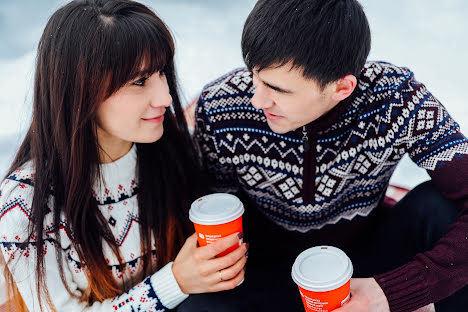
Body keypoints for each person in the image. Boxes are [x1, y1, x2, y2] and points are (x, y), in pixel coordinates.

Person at [184, 0, 468, 311]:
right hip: (260, 271)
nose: (256, 99)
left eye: (277, 89)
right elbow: (205, 204)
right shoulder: (221, 107)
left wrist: (397, 291)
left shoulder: (397, 102)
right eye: (254, 75)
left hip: (367, 262)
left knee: (438, 205)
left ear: (341, 88)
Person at [0, 0, 248, 311]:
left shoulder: (173, 148)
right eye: (140, 81)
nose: (165, 96)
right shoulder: (25, 204)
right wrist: (175, 282)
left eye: (161, 73)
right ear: (79, 91)